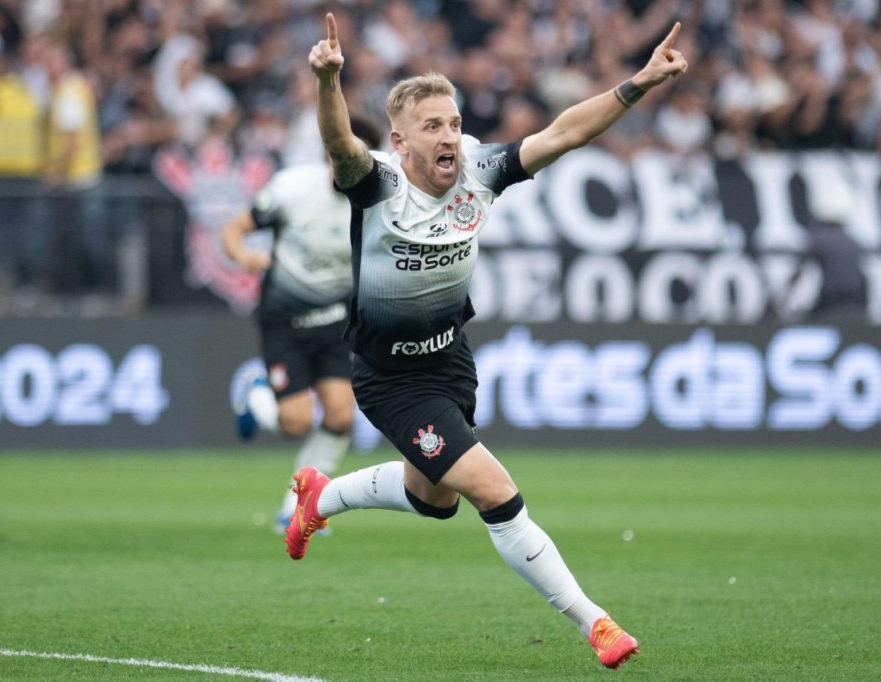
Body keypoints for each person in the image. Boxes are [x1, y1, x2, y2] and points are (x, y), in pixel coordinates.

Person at [286, 12, 687, 670]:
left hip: (451, 362)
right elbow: (339, 144)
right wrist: (329, 81)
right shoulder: (378, 184)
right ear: (401, 141)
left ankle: (319, 499)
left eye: (453, 122)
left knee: (432, 498)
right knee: (493, 491)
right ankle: (598, 624)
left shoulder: (481, 172)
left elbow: (564, 132)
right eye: (432, 127)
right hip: (391, 380)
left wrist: (639, 82)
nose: (449, 137)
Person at [221, 114, 384, 531]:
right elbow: (234, 230)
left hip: (335, 322)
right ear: (329, 155)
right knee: (294, 423)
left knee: (340, 417)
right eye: (341, 156)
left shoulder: (379, 202)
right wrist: (244, 257)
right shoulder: (293, 190)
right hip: (285, 320)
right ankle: (257, 397)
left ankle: (296, 508)